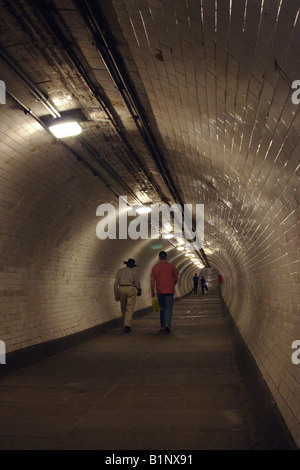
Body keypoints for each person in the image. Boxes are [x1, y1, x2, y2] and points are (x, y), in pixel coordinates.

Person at [151, 251, 179, 333]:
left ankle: (163, 325)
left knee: (162, 308)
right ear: (166, 257)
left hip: (160, 290)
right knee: (168, 308)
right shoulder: (171, 266)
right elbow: (176, 278)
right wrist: (172, 284)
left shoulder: (155, 267)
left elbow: (152, 280)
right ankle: (167, 324)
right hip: (170, 291)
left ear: (159, 257)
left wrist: (152, 291)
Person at [114, 258, 141, 333]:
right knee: (130, 307)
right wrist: (139, 290)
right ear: (132, 266)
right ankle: (127, 325)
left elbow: (116, 283)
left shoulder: (120, 271)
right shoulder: (134, 272)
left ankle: (124, 323)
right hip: (130, 289)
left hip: (121, 288)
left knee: (123, 307)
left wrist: (116, 294)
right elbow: (137, 283)